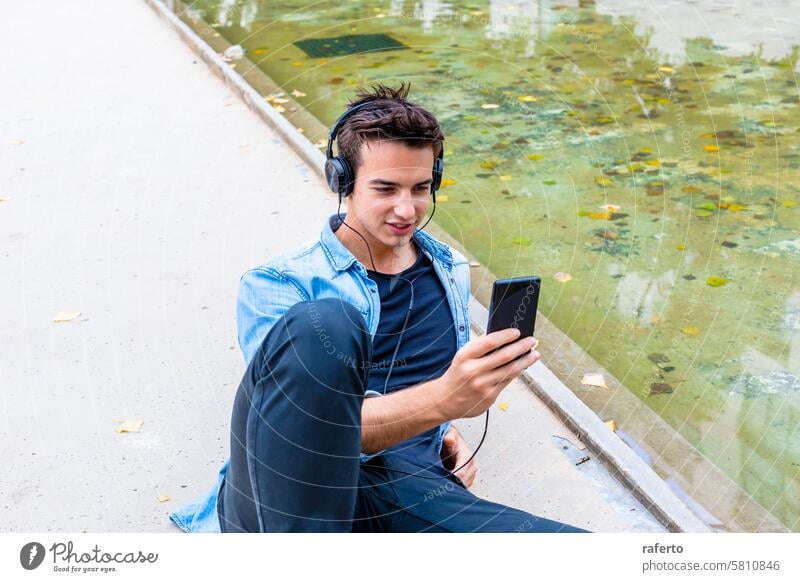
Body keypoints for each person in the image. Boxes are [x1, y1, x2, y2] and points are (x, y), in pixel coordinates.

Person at [169, 82, 590, 533]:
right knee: (327, 320)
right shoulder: (279, 284)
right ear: (342, 181)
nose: (406, 209)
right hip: (294, 494)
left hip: (408, 487)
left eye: (421, 188)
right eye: (386, 188)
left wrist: (442, 428)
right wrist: (445, 399)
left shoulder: (447, 267)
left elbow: (417, 384)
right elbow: (301, 432)